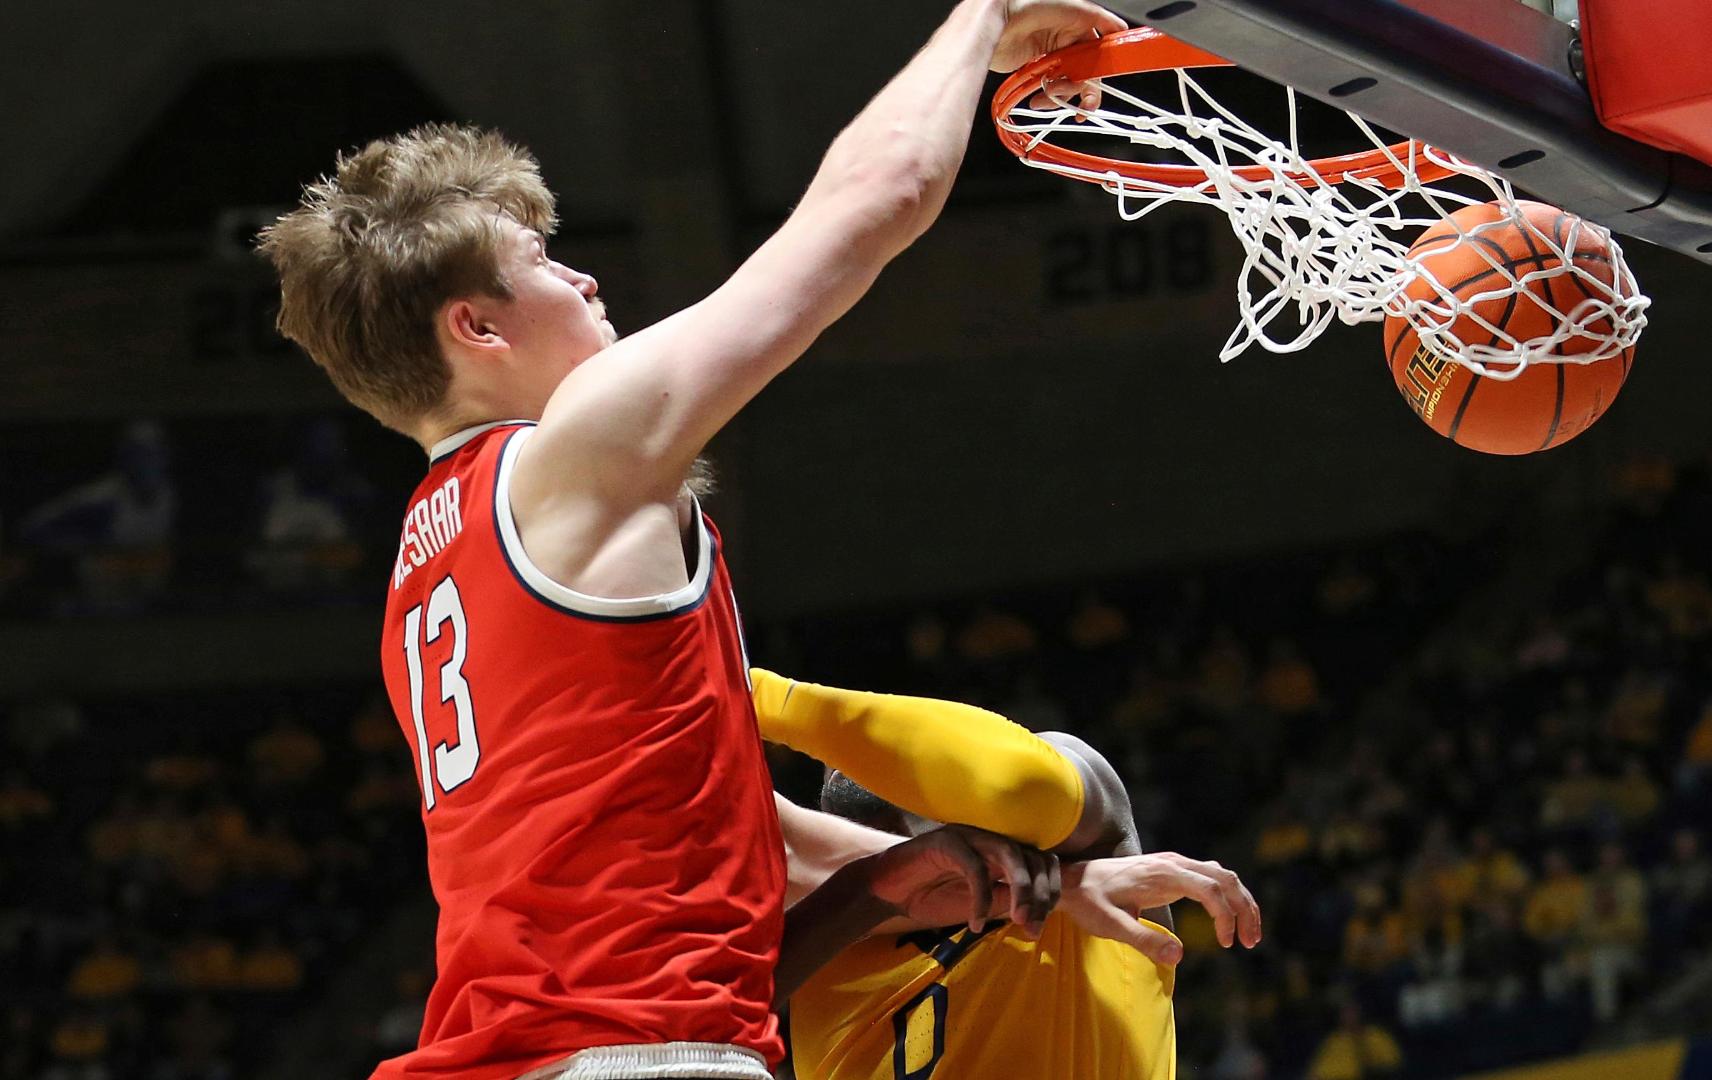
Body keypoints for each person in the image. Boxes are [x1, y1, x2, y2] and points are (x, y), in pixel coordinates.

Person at [255, 3, 1127, 1078]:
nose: (585, 280)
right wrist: (985, 13)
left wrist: (1050, 890)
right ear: (475, 329)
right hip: (632, 1056)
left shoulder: (422, 571)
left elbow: (739, 832)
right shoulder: (576, 451)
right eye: (543, 261)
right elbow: (871, 206)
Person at [757, 671, 1259, 1080]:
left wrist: (754, 695)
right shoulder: (807, 916)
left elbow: (1021, 786)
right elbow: (785, 845)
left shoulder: (1081, 842)